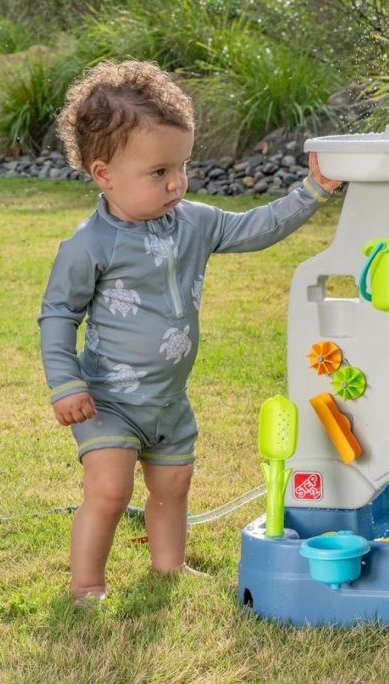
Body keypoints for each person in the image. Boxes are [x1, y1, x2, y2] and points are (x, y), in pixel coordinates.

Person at [39, 60, 340, 602]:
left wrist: (312, 190)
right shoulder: (89, 246)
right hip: (108, 398)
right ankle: (86, 584)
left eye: (182, 166)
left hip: (169, 401)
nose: (177, 182)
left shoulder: (195, 222)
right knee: (109, 490)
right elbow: (59, 314)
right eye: (158, 173)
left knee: (172, 486)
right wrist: (67, 384)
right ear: (104, 174)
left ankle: (169, 566)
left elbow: (254, 228)